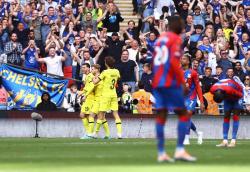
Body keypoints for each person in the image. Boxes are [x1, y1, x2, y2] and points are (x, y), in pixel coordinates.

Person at [153, 16, 196, 162]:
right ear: (175, 25)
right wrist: (182, 83)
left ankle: (161, 153)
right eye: (182, 24)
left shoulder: (160, 39)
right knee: (183, 114)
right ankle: (179, 150)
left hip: (158, 81)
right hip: (170, 82)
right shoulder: (175, 39)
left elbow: (155, 59)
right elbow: (173, 62)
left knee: (161, 115)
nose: (183, 28)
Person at [93, 56, 122, 139]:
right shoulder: (116, 71)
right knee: (116, 114)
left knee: (101, 114)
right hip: (113, 94)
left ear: (106, 63)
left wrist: (94, 76)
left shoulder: (105, 72)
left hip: (105, 95)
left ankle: (95, 134)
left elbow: (95, 82)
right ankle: (119, 133)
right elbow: (118, 78)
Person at [211, 78, 244, 147]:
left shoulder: (230, 89)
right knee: (226, 116)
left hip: (238, 95)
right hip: (227, 96)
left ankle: (233, 141)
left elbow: (241, 95)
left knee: (235, 116)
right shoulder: (212, 89)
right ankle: (225, 141)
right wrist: (226, 97)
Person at [181, 54, 205, 145]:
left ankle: (186, 138)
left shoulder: (193, 73)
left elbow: (198, 87)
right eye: (181, 58)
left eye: (183, 59)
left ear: (188, 61)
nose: (181, 60)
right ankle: (198, 133)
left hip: (191, 97)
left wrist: (201, 102)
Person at [88, 64, 110, 139]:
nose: (91, 70)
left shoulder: (99, 78)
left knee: (92, 115)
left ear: (97, 70)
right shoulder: (97, 77)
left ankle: (90, 134)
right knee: (102, 117)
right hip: (99, 99)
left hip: (100, 99)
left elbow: (92, 86)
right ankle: (107, 134)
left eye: (93, 69)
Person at [79, 63, 95, 139]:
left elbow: (92, 87)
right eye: (82, 68)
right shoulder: (86, 76)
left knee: (86, 115)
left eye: (84, 67)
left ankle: (89, 133)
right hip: (87, 97)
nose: (83, 69)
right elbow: (87, 87)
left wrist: (85, 95)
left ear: (88, 68)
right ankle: (89, 133)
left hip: (90, 98)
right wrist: (82, 93)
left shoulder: (91, 76)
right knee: (83, 115)